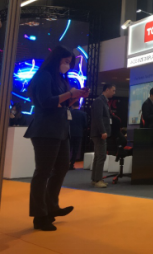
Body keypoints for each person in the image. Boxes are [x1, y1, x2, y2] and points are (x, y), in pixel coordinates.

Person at [24, 46, 89, 231]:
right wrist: (70, 94)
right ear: (57, 59)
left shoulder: (60, 78)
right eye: (66, 61)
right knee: (43, 172)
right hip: (45, 129)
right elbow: (46, 102)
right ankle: (39, 215)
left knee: (61, 168)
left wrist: (76, 96)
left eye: (70, 62)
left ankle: (51, 207)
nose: (68, 65)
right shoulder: (44, 75)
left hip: (60, 129)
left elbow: (63, 103)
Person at [90, 84, 116, 188]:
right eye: (113, 90)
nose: (114, 93)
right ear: (107, 89)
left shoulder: (103, 101)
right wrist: (102, 131)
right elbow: (98, 117)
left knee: (98, 156)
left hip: (99, 133)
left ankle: (95, 179)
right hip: (99, 133)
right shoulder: (99, 101)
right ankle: (98, 180)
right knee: (101, 156)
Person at [68, 103, 87, 170]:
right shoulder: (83, 114)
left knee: (68, 149)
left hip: (69, 133)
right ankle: (72, 164)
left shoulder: (69, 112)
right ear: (79, 106)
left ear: (72, 105)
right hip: (79, 133)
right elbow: (85, 124)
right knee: (75, 150)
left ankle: (66, 163)